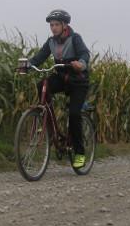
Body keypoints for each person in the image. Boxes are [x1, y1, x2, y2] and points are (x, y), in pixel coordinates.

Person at [24, 9, 90, 169]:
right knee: (43, 84)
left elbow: (84, 54)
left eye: (56, 25)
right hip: (61, 78)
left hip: (78, 81)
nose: (53, 28)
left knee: (74, 115)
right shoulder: (51, 42)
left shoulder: (75, 38)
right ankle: (48, 122)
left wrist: (81, 63)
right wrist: (27, 65)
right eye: (51, 25)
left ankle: (80, 153)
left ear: (64, 25)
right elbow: (39, 57)